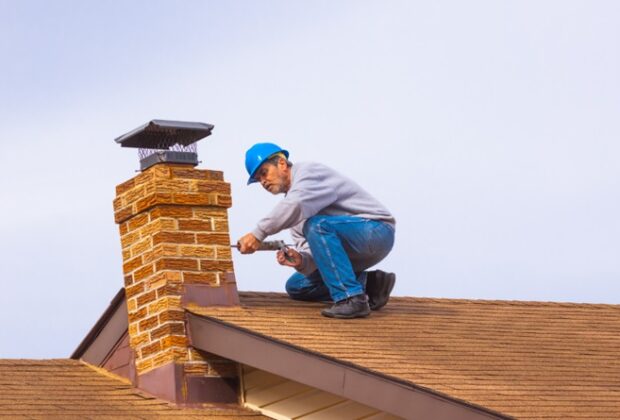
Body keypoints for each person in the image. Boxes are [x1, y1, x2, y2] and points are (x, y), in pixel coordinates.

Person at [237, 142, 396, 319]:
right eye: (258, 179)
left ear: (281, 163)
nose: (263, 181)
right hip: (350, 250)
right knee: (298, 286)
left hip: (376, 231)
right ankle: (371, 284)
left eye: (264, 173)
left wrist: (258, 233)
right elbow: (315, 255)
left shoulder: (308, 172)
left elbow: (296, 204)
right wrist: (301, 261)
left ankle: (351, 299)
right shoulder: (295, 215)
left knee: (317, 226)